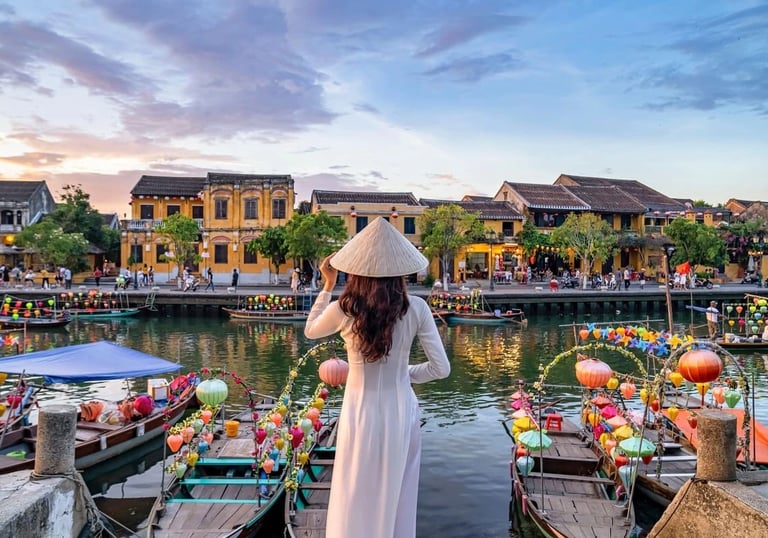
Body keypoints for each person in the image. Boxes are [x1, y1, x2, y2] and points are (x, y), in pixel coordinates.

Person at [304, 217, 450, 538]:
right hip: (402, 411)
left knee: (355, 490)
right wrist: (404, 374)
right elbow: (441, 369)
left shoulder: (345, 309)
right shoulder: (418, 308)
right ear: (400, 270)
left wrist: (327, 284)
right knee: (398, 493)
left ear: (356, 269)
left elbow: (310, 330)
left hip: (360, 411)